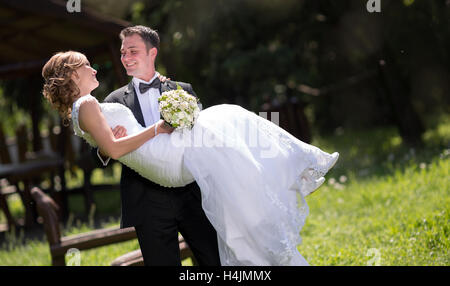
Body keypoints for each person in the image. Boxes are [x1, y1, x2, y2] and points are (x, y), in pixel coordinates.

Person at [42, 51, 339, 266]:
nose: (94, 70)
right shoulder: (90, 102)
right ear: (72, 74)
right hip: (162, 161)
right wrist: (156, 129)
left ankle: (291, 179)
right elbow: (115, 150)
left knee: (226, 127)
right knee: (228, 117)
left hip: (163, 163)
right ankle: (300, 170)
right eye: (86, 66)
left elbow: (113, 144)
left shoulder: (79, 111)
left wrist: (120, 139)